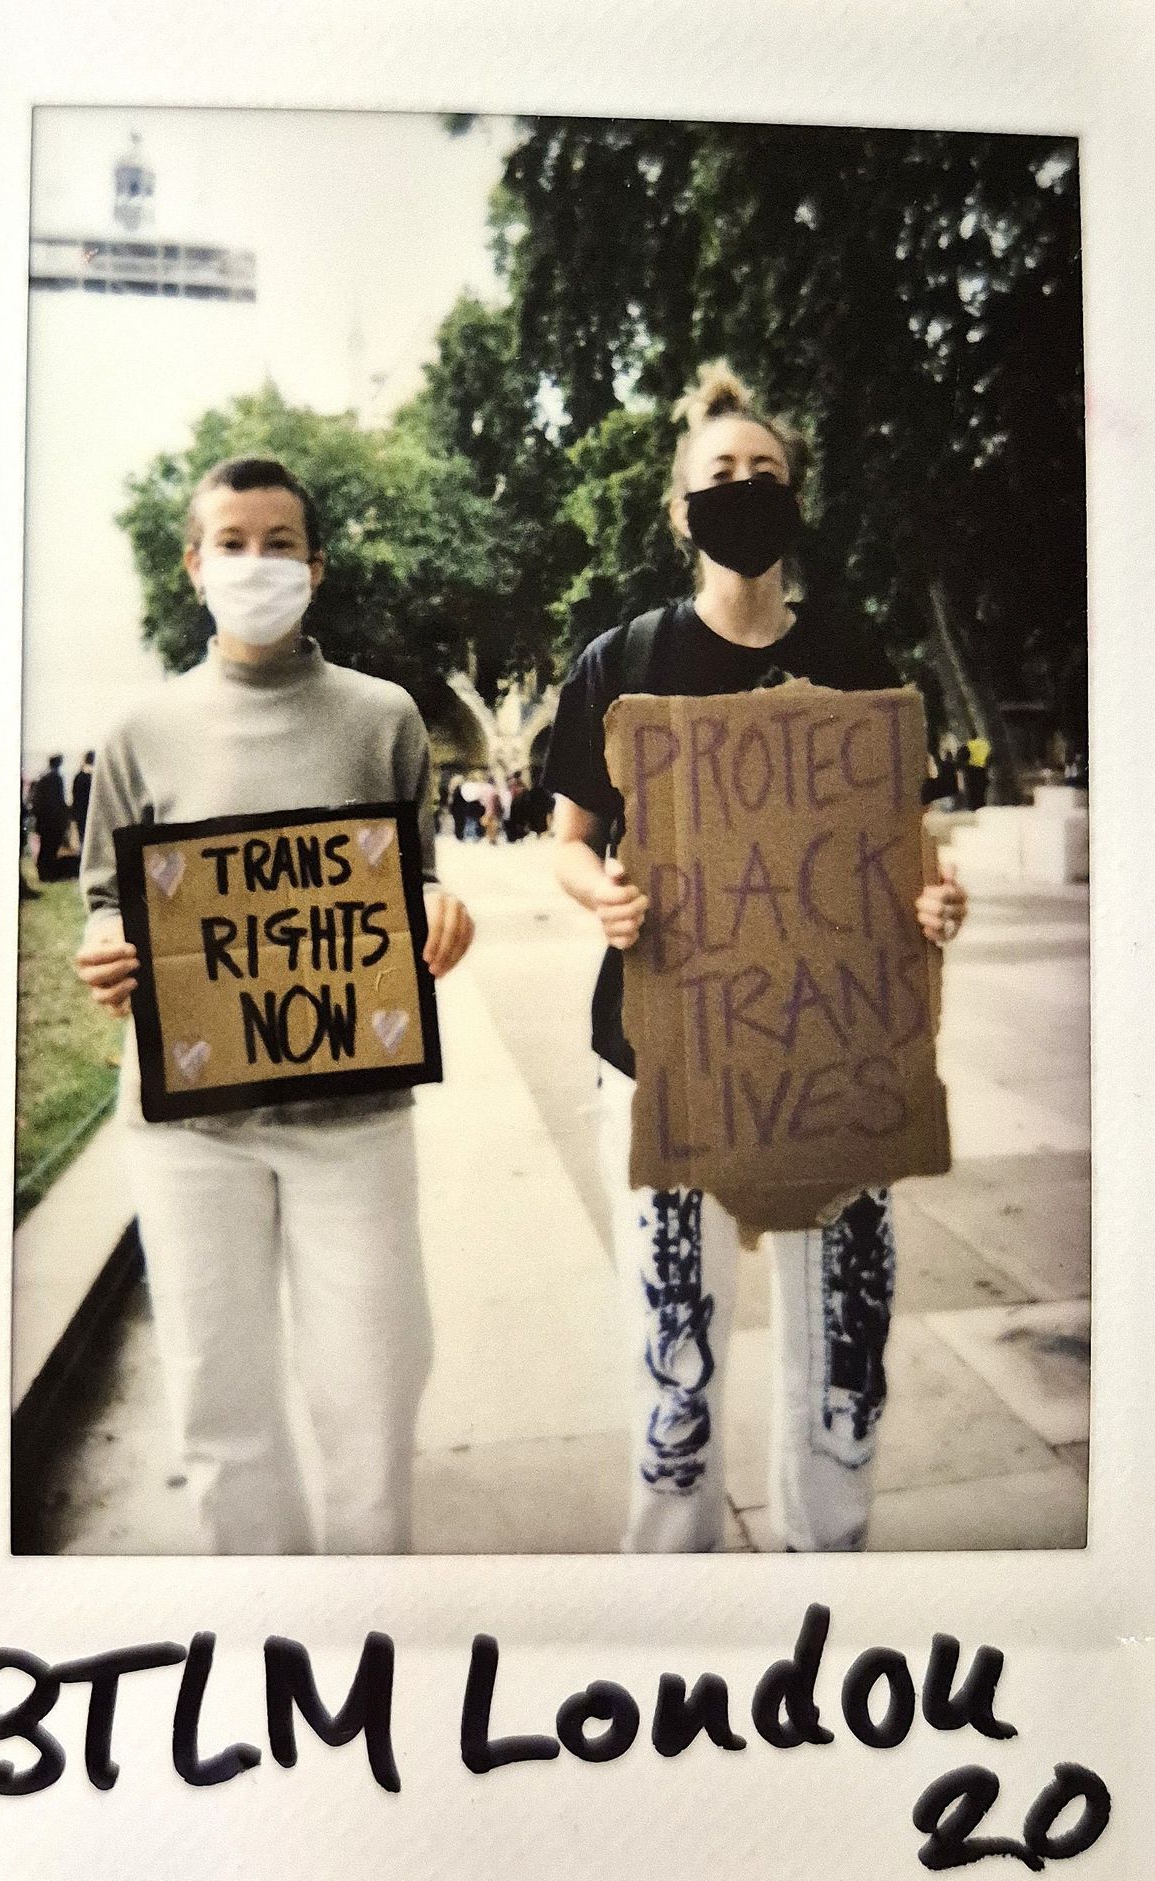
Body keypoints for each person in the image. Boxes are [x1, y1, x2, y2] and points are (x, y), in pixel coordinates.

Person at [543, 363, 967, 1553]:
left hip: (837, 1052)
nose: (743, 488)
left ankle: (825, 1574)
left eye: (765, 472)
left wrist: (937, 899)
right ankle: (675, 1597)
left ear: (795, 498)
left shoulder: (854, 649)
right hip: (667, 1057)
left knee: (844, 1363)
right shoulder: (621, 661)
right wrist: (602, 893)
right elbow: (567, 841)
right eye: (720, 473)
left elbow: (906, 838)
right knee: (673, 1369)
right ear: (682, 509)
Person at [74, 456, 474, 1555]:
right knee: (221, 1401)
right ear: (194, 565)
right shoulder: (138, 731)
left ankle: (370, 1608)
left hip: (356, 1118)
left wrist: (436, 912)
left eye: (280, 543)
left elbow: (408, 874)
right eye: (233, 543)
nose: (257, 563)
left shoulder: (383, 717)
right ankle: (264, 1611)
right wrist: (106, 945)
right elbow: (107, 895)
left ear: (316, 566)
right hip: (190, 1129)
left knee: (376, 1390)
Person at [29, 754, 69, 882]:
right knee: (51, 847)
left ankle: (43, 872)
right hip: (53, 820)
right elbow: (59, 800)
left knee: (45, 847)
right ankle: (48, 873)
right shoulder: (56, 778)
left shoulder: (42, 777)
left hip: (43, 820)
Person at [70, 750, 95, 848]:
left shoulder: (79, 776)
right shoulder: (94, 776)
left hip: (80, 812)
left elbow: (75, 795)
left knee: (82, 838)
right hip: (91, 812)